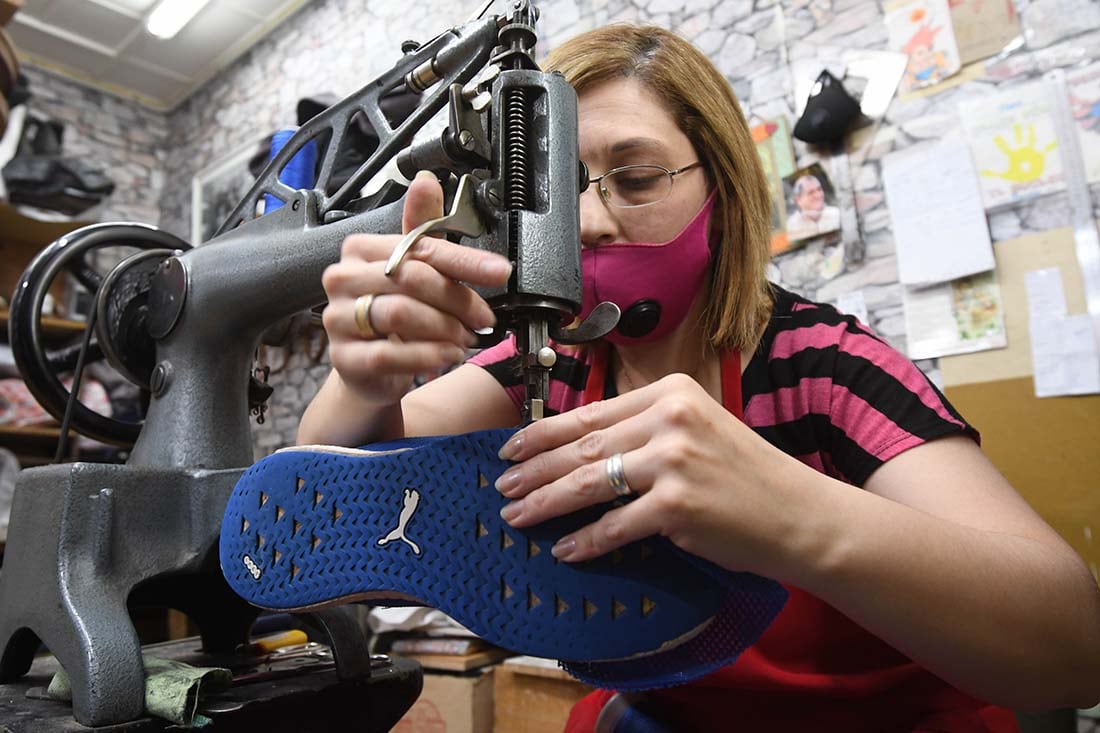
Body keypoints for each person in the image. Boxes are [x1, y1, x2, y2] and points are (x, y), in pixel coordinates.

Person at [299, 23, 1100, 732]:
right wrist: (362, 382)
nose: (588, 219)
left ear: (720, 191)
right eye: (559, 190)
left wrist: (794, 516)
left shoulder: (825, 368)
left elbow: (1072, 646)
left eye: (636, 178)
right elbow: (329, 492)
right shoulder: (549, 361)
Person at [785, 172, 840, 242]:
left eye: (819, 189)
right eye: (811, 192)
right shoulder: (791, 226)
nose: (818, 195)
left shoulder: (836, 214)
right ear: (798, 200)